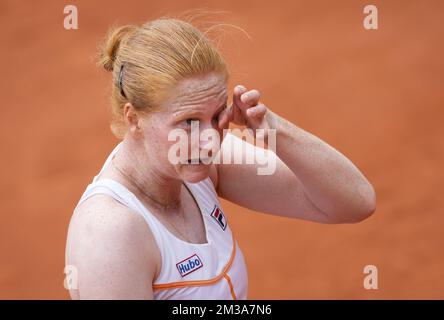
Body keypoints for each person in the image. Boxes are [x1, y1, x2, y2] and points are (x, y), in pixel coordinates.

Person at [65, 18, 376, 300]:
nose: (210, 139)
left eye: (216, 116)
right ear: (133, 118)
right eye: (188, 121)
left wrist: (273, 131)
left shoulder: (195, 161)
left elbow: (354, 201)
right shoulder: (112, 232)